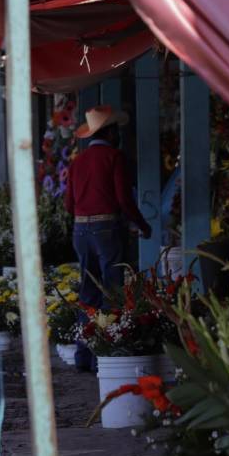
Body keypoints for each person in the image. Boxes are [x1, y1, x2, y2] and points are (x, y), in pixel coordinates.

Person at [64, 105, 152, 371]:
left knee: (87, 291)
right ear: (111, 133)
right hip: (106, 230)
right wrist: (142, 224)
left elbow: (69, 204)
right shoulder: (114, 157)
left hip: (80, 231)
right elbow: (125, 200)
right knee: (112, 291)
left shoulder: (77, 162)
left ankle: (84, 354)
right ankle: (108, 354)